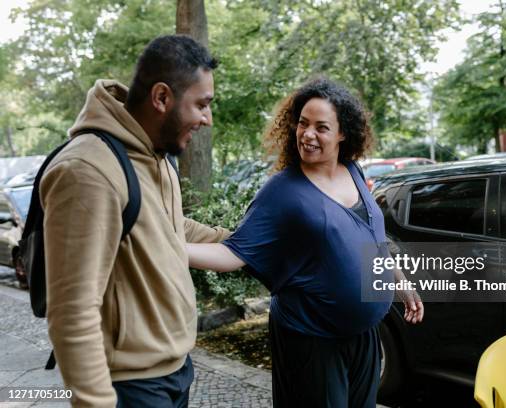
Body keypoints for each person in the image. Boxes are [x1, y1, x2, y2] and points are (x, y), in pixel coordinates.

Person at [187, 78, 424, 407]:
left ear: (343, 133)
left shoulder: (352, 171)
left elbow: (371, 238)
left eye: (321, 127)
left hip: (364, 337)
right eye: (303, 123)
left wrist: (400, 282)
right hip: (313, 340)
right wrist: (166, 248)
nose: (308, 134)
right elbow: (233, 253)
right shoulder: (283, 191)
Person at [41, 35, 230, 407]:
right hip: (131, 385)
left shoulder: (157, 154)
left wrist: (238, 239)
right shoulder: (87, 171)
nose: (207, 118)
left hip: (174, 371)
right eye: (202, 105)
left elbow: (170, 224)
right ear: (162, 98)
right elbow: (72, 311)